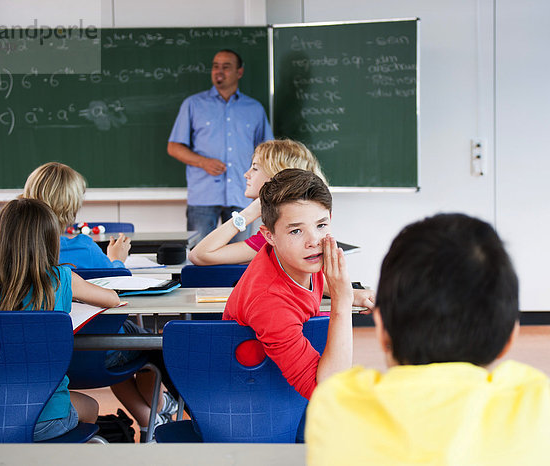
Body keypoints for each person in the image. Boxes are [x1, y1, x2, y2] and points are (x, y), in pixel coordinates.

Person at [306, 213, 550, 465]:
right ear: (510, 338)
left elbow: (331, 381)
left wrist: (342, 299)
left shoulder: (337, 406)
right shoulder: (538, 407)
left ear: (381, 330)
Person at [24, 161, 175, 441]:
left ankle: (149, 417)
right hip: (100, 354)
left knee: (114, 338)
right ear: (72, 204)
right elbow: (118, 292)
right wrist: (116, 260)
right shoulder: (83, 247)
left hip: (44, 361)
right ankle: (159, 412)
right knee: (145, 341)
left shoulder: (22, 256)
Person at [0, 198, 121, 441]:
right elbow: (112, 299)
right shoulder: (61, 279)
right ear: (51, 241)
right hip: (42, 419)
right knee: (91, 406)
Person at [223, 169, 375, 403]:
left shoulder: (298, 260)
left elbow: (307, 285)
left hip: (284, 387)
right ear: (269, 236)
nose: (313, 241)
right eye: (296, 230)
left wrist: (353, 294)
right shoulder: (270, 303)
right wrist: (341, 302)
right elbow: (327, 394)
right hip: (258, 404)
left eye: (321, 225)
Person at [167, 49, 274, 242]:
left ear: (239, 72)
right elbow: (174, 146)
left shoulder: (254, 109)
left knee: (238, 261)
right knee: (198, 258)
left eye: (226, 67)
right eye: (215, 66)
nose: (219, 71)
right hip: (203, 196)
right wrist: (203, 162)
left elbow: (268, 152)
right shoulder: (193, 104)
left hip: (242, 195)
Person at [189, 139, 326, 266]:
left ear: (276, 176)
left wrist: (249, 212)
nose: (246, 174)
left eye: (255, 168)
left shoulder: (277, 236)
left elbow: (199, 255)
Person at [23, 162, 131, 269]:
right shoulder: (84, 249)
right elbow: (114, 278)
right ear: (72, 205)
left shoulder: (15, 248)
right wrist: (116, 259)